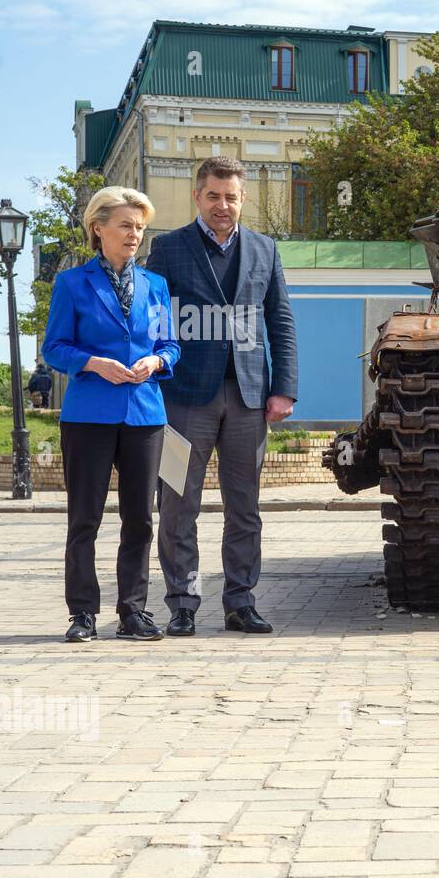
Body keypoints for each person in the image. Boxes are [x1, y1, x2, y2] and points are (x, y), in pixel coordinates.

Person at [146, 156, 298, 636]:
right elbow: (154, 322)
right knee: (175, 502)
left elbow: (281, 322)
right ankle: (182, 603)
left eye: (231, 196)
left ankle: (239, 602)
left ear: (243, 199)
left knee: (245, 505)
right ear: (197, 197)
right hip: (182, 398)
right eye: (213, 195)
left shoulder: (265, 249)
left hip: (250, 398)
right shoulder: (167, 249)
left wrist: (284, 389)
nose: (222, 205)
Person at [41, 186, 180, 643]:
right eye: (125, 225)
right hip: (88, 415)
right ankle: (82, 613)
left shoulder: (156, 286)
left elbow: (170, 344)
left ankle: (133, 613)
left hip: (144, 414)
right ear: (98, 229)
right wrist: (92, 362)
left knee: (140, 518)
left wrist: (156, 362)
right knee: (85, 517)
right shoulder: (72, 284)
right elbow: (55, 348)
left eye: (140, 226)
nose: (135, 234)